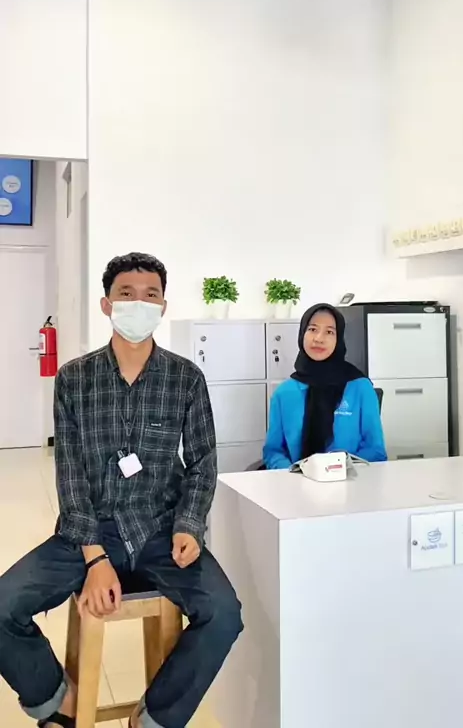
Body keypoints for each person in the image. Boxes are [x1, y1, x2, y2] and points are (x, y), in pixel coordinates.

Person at [0, 252, 243, 728]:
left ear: (163, 307)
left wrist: (190, 525)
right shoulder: (75, 378)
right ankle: (56, 701)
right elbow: (70, 473)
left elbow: (202, 462)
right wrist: (94, 558)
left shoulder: (185, 378)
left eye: (150, 295)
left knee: (223, 614)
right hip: (88, 532)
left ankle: (155, 718)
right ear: (107, 304)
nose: (139, 304)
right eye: (126, 294)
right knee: (3, 606)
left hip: (161, 530)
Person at [263, 303, 387, 469]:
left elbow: (375, 450)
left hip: (351, 479)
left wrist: (335, 470)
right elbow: (273, 451)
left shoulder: (360, 387)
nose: (319, 338)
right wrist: (293, 473)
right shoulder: (284, 393)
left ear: (338, 339)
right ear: (302, 334)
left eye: (329, 332)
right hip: (297, 480)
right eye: (312, 329)